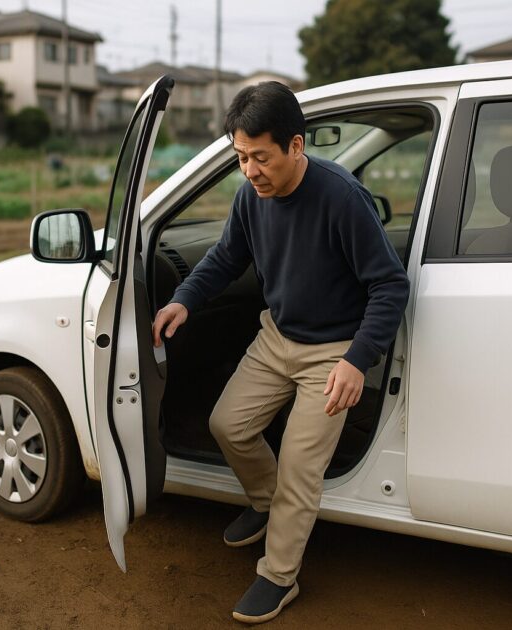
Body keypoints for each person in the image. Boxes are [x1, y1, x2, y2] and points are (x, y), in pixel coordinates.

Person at [151, 81, 410, 624]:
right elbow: (226, 257)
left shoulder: (341, 198)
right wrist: (184, 300)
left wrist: (356, 359)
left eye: (260, 157)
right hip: (277, 337)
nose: (249, 171)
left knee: (299, 465)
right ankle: (268, 504)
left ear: (297, 146)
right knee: (228, 425)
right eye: (241, 157)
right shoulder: (251, 196)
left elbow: (390, 286)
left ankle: (278, 576)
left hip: (333, 350)